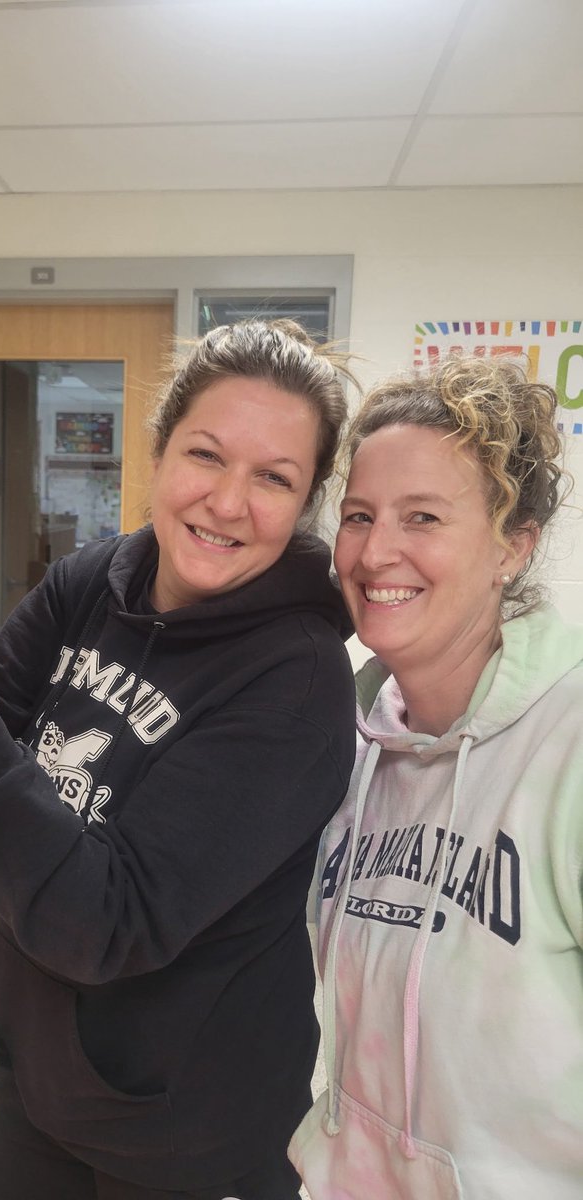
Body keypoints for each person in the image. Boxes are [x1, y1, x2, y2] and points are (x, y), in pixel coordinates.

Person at [0, 319, 358, 1200]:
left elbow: (107, 923)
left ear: (305, 503)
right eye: (206, 455)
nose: (229, 502)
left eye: (274, 477)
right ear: (158, 451)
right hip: (37, 1076)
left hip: (185, 1124)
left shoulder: (297, 682)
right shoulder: (94, 580)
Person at [289, 354, 583, 1199]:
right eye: (359, 516)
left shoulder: (566, 744)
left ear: (513, 546)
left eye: (422, 517)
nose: (376, 551)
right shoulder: (344, 740)